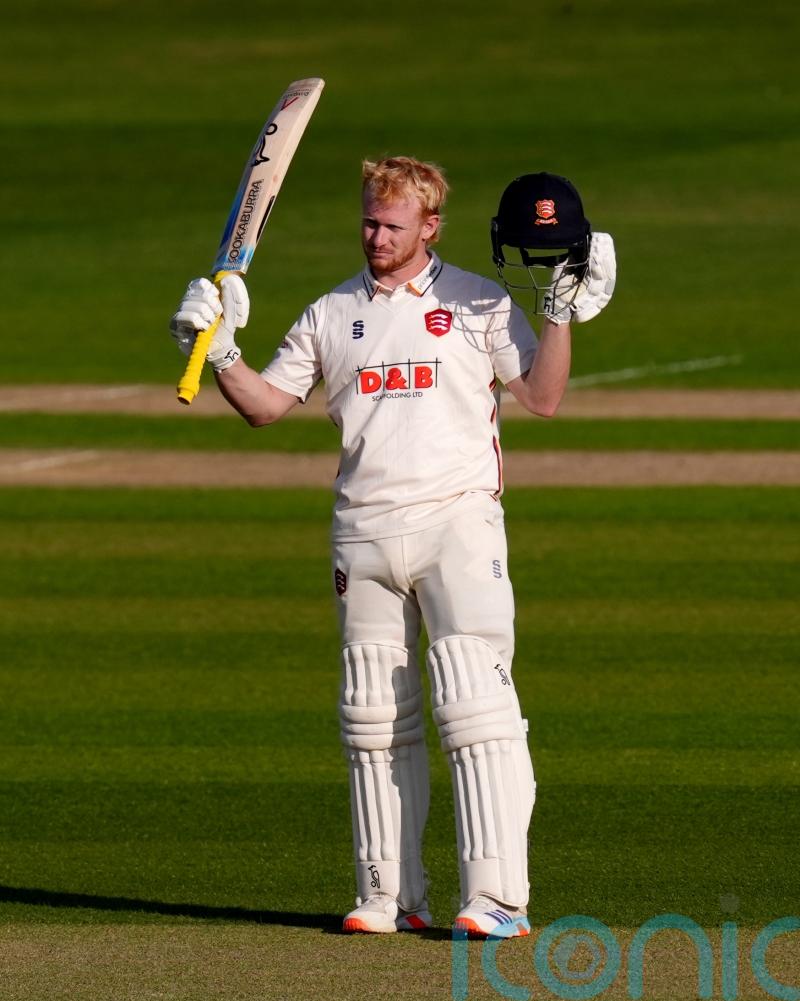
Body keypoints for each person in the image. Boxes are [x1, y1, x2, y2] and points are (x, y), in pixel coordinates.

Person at [170, 158, 615, 937]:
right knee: (373, 716)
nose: (377, 237)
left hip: (458, 526)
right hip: (363, 532)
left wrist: (560, 315)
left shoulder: (478, 300)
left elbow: (542, 397)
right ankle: (389, 896)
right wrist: (221, 350)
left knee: (475, 705)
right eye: (370, 223)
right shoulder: (329, 311)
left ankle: (496, 899)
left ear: (431, 226)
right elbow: (268, 408)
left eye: (393, 226)